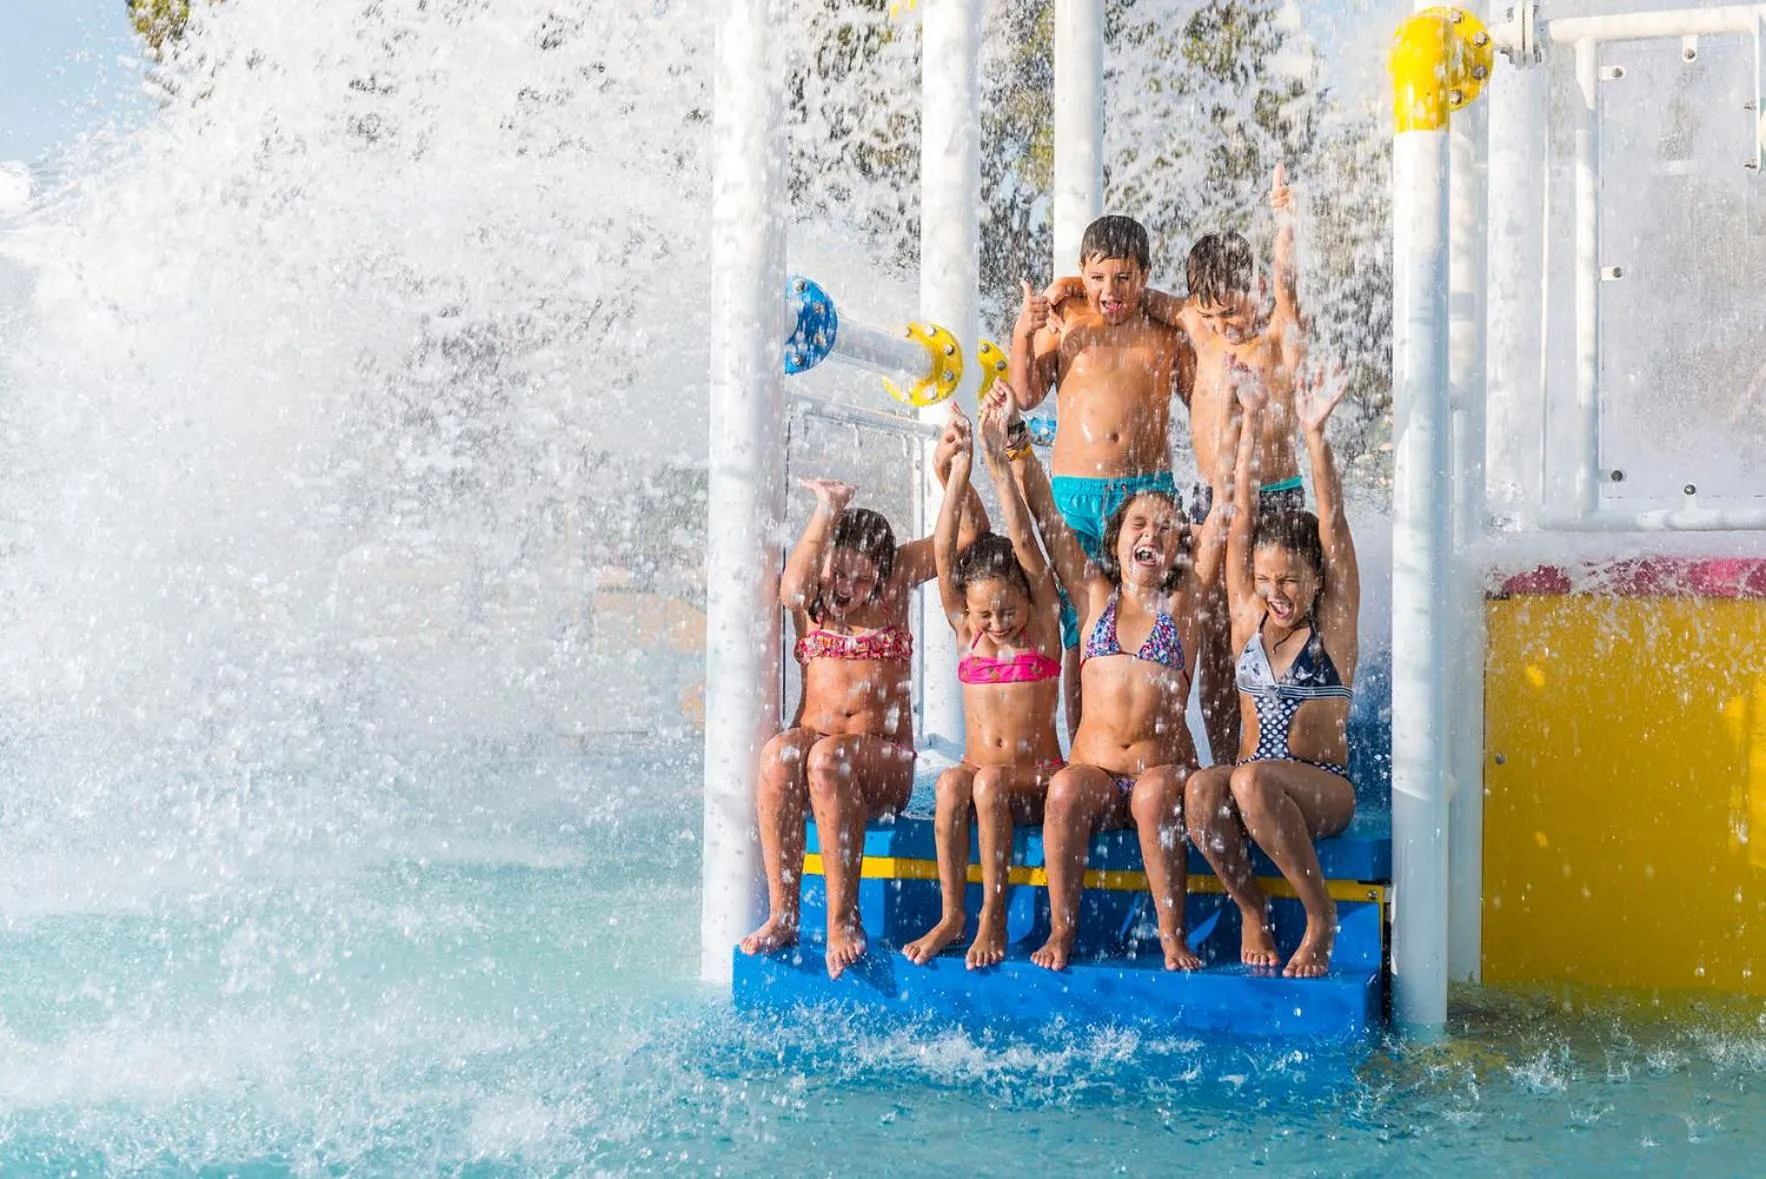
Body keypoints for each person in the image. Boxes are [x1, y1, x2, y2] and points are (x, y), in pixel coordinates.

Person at [739, 431, 980, 980]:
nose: (845, 585)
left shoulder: (894, 587)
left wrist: (953, 472)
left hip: (882, 764)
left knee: (828, 759)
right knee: (780, 755)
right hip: (823, 753)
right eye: (838, 571)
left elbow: (967, 539)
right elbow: (793, 589)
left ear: (883, 571)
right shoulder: (813, 601)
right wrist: (828, 510)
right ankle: (784, 913)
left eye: (859, 575)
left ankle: (843, 919)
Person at [1001, 390, 1225, 973]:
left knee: (1151, 796)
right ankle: (1060, 930)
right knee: (1065, 790)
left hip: (1162, 773)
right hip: (1098, 773)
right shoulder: (1093, 595)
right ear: (1118, 538)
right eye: (1139, 523)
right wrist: (1019, 446)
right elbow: (1048, 522)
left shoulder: (1183, 604)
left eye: (1165, 528)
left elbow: (1224, 524)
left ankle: (1173, 936)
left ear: (1177, 549)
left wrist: (1240, 431)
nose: (1151, 532)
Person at [1183, 363, 1359, 979]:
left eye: (1289, 580)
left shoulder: (1331, 627)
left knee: (1250, 781)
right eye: (1264, 580)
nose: (1276, 592)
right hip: (1251, 783)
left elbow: (1332, 524)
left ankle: (1320, 916)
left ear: (1316, 579)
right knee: (1204, 789)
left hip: (1322, 786)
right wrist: (1251, 421)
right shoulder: (1246, 620)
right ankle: (1251, 906)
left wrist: (1314, 434)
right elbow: (1234, 518)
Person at [1007, 215, 1194, 738]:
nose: (1109, 291)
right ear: (1082, 274)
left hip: (1147, 494)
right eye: (1097, 278)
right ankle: (1084, 748)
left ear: (1145, 275)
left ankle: (1159, 741)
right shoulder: (1067, 318)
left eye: (1123, 278)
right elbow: (1025, 395)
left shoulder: (1163, 332)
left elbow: (1202, 400)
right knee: (1081, 628)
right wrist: (1025, 328)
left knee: (1164, 615)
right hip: (1076, 494)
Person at [901, 401, 1067, 971]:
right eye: (986, 614)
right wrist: (954, 476)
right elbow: (945, 554)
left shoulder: (1042, 626)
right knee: (951, 785)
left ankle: (992, 914)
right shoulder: (967, 629)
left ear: (1027, 598)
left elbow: (1024, 542)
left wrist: (997, 467)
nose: (998, 623)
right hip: (981, 776)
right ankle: (953, 915)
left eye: (1007, 611)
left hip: (1037, 777)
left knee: (988, 785)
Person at [1168, 164, 1311, 767]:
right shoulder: (1205, 334)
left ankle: (1285, 754)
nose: (1231, 328)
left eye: (1236, 313)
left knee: (1279, 628)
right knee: (1216, 633)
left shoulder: (1275, 334)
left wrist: (1285, 221)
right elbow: (1147, 301)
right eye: (1218, 319)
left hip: (1275, 498)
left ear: (1252, 286)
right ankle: (1227, 760)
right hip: (1214, 503)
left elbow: (1288, 283)